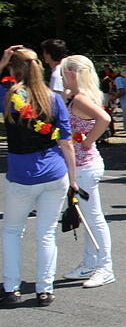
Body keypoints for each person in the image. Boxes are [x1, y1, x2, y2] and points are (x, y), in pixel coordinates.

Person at [0, 45, 77, 306]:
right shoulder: (54, 98)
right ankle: (45, 289)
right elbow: (66, 142)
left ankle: (12, 287)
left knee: (12, 231)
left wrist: (3, 60)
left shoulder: (9, 95)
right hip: (54, 174)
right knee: (46, 234)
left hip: (22, 174)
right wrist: (74, 181)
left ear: (13, 69)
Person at [60, 55, 115, 288]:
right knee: (87, 216)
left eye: (64, 73)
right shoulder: (78, 97)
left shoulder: (81, 99)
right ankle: (90, 263)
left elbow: (104, 118)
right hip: (82, 166)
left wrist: (87, 142)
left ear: (71, 74)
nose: (62, 76)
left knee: (94, 217)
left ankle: (105, 267)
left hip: (85, 166)